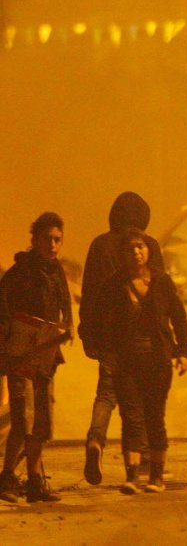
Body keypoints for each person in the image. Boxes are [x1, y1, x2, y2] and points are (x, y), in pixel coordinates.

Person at [79, 191, 165, 487]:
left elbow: (89, 294)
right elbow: (160, 294)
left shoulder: (99, 245)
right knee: (141, 399)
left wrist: (87, 334)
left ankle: (95, 441)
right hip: (143, 339)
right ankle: (142, 461)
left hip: (109, 337)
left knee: (106, 394)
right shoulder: (147, 244)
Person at [102, 229, 187, 494]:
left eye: (140, 246)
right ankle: (131, 477)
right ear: (122, 254)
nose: (136, 252)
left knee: (154, 417)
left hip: (158, 361)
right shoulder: (114, 285)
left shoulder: (162, 282)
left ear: (149, 250)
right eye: (130, 248)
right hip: (126, 362)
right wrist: (107, 354)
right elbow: (104, 323)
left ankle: (156, 477)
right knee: (130, 417)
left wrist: (183, 351)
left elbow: (179, 316)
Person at [0, 212, 72, 503]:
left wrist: (67, 329)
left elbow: (65, 308)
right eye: (47, 239)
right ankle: (6, 478)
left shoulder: (57, 272)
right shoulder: (19, 273)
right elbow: (4, 314)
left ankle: (34, 481)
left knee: (41, 421)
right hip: (20, 356)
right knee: (22, 419)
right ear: (34, 239)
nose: (52, 245)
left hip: (46, 356)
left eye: (57, 240)